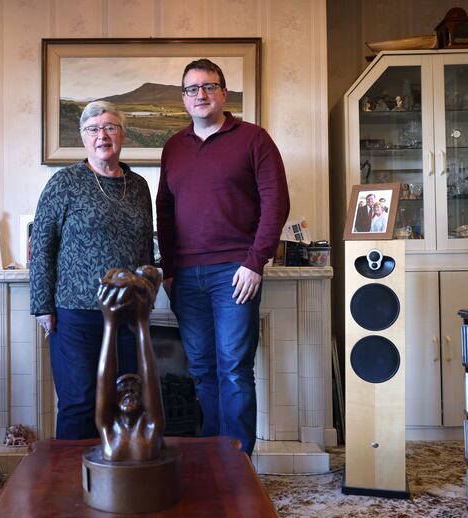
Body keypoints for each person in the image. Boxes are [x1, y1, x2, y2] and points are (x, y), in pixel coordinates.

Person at [156, 58, 289, 456]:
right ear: (183, 99)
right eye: (192, 89)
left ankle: (237, 463)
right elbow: (164, 211)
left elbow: (276, 204)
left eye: (208, 86)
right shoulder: (173, 147)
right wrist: (168, 269)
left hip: (235, 272)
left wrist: (254, 261)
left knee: (233, 370)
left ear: (223, 93)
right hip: (186, 278)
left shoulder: (254, 139)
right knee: (201, 371)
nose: (201, 95)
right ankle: (211, 460)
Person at [29, 101, 154, 440]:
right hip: (76, 314)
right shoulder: (64, 183)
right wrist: (42, 306)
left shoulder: (139, 186)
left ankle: (118, 480)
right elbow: (41, 247)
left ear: (123, 135)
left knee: (127, 398)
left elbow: (146, 250)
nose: (102, 135)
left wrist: (147, 301)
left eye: (111, 127)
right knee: (79, 401)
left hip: (129, 315)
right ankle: (68, 482)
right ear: (83, 137)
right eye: (93, 129)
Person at [95, 266, 164, 461]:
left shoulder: (152, 427)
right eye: (123, 388)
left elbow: (151, 382)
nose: (129, 392)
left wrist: (142, 322)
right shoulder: (108, 428)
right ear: (113, 398)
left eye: (135, 388)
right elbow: (104, 385)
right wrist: (110, 324)